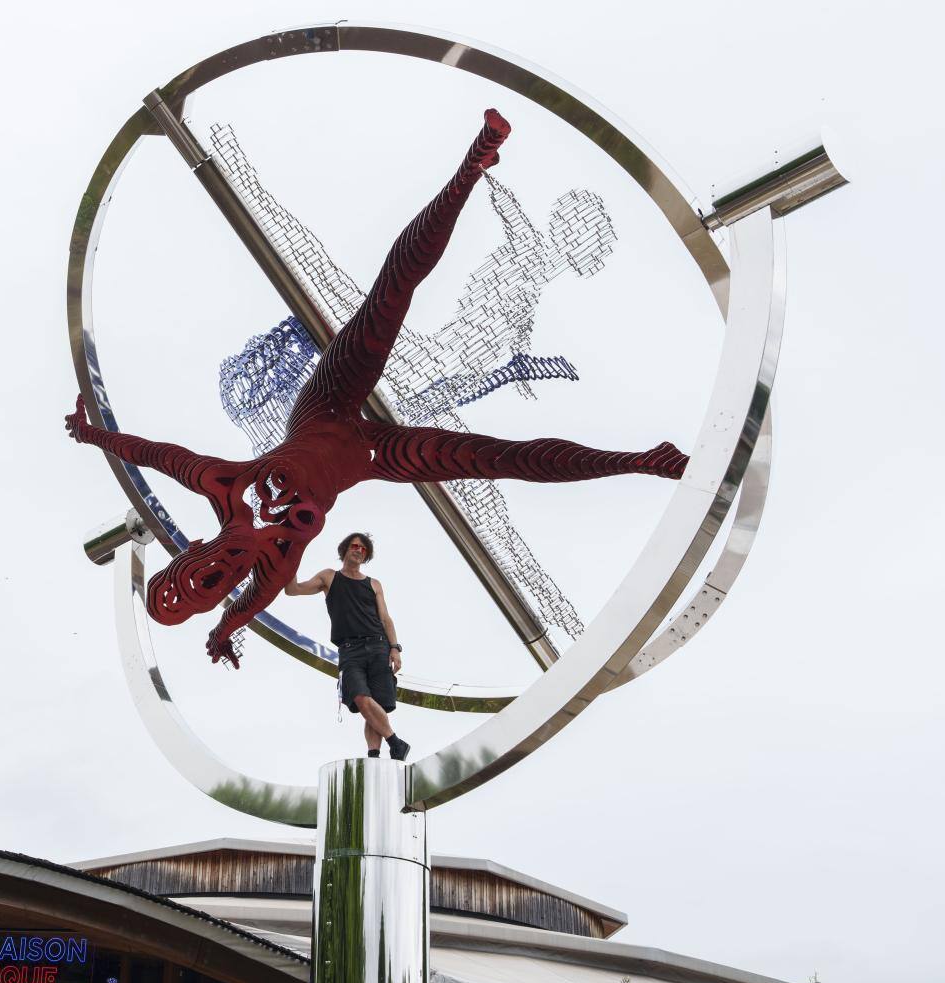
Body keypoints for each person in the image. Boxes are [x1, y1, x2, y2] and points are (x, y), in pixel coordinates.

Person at [65, 109, 687, 669]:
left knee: (390, 294)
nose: (211, 578)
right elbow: (247, 606)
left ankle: (472, 166)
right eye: (206, 591)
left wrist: (91, 432)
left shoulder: (220, 485)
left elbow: (149, 452)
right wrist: (225, 631)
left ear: (191, 551)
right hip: (369, 454)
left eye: (195, 575)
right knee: (503, 459)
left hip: (324, 406)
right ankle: (643, 460)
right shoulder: (276, 563)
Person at [284, 532, 410, 760]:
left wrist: (395, 648)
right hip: (350, 650)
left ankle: (373, 756)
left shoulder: (373, 584)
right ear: (345, 550)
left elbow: (385, 618)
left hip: (379, 645)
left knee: (376, 706)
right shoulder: (329, 577)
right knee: (360, 697)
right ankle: (396, 742)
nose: (359, 550)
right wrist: (288, 559)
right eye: (355, 546)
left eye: (363, 549)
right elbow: (293, 589)